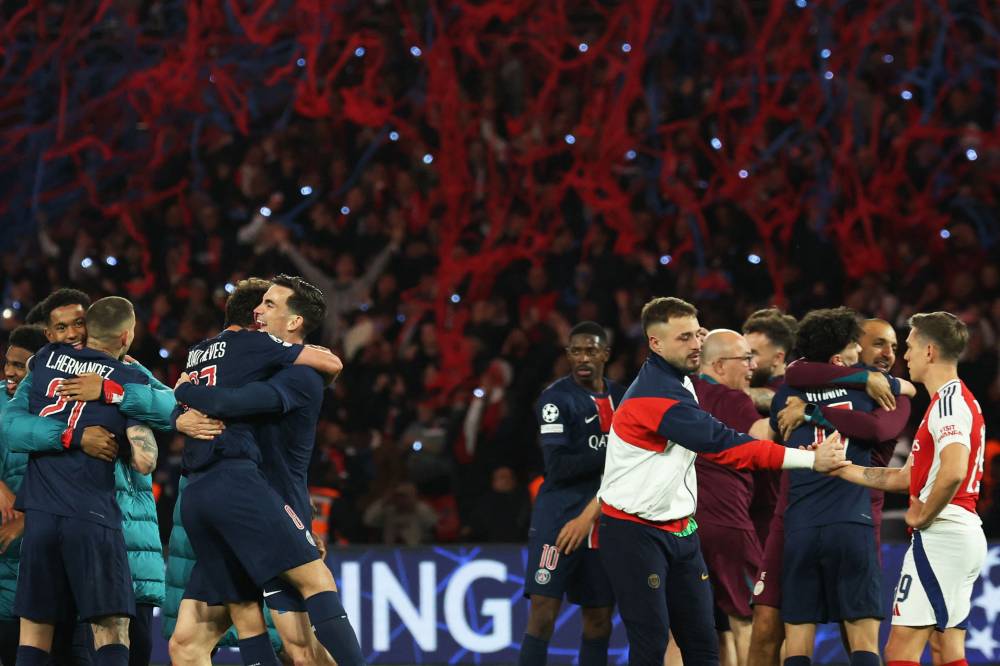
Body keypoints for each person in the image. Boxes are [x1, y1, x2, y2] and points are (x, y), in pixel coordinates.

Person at [596, 297, 847, 666]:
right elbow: (728, 446)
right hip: (636, 533)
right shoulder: (656, 397)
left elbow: (741, 398)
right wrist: (811, 460)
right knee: (650, 646)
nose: (696, 343)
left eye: (697, 334)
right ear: (656, 344)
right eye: (684, 338)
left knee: (703, 647)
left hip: (683, 530)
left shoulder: (683, 380)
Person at [172, 278, 361, 666]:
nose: (260, 311)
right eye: (260, 304)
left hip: (273, 503)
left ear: (293, 322)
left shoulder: (300, 375)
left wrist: (184, 394)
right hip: (243, 500)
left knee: (298, 647)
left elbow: (232, 401)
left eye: (271, 305)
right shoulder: (253, 361)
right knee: (192, 642)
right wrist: (179, 420)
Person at [1, 288, 183, 666]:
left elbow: (169, 404)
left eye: (78, 323)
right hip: (95, 518)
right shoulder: (128, 373)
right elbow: (159, 435)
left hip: (48, 518)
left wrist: (110, 392)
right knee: (110, 632)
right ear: (125, 335)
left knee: (36, 635)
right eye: (61, 326)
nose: (70, 333)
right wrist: (75, 435)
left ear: (91, 325)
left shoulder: (47, 363)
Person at [748, 319, 914, 666]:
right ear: (846, 352)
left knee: (797, 640)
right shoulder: (881, 395)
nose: (889, 354)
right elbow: (874, 425)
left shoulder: (789, 395)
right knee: (860, 636)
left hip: (802, 521)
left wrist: (811, 412)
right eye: (875, 344)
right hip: (851, 519)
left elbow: (795, 381)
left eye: (896, 347)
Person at [830, 312, 986, 666]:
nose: (906, 356)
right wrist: (842, 469)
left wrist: (924, 514)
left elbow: (954, 470)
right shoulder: (956, 401)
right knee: (946, 650)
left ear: (930, 351)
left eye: (911, 347)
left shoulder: (948, 404)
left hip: (942, 535)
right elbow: (903, 479)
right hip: (961, 535)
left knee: (899, 652)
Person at [518, 321, 625, 666]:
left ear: (605, 354)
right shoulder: (555, 400)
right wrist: (619, 452)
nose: (583, 358)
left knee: (598, 618)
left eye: (591, 350)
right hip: (560, 517)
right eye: (576, 351)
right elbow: (559, 467)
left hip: (606, 520)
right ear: (567, 354)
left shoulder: (624, 398)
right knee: (543, 612)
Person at [693, 330, 774, 666]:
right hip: (728, 525)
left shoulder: (682, 393)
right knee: (751, 620)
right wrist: (800, 408)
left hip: (681, 525)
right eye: (745, 358)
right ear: (721, 365)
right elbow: (763, 438)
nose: (752, 365)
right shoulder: (733, 400)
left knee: (695, 627)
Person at [0, 325, 49, 665]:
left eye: (19, 365)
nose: (8, 372)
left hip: (39, 560)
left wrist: (29, 519)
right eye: (7, 363)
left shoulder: (59, 407)